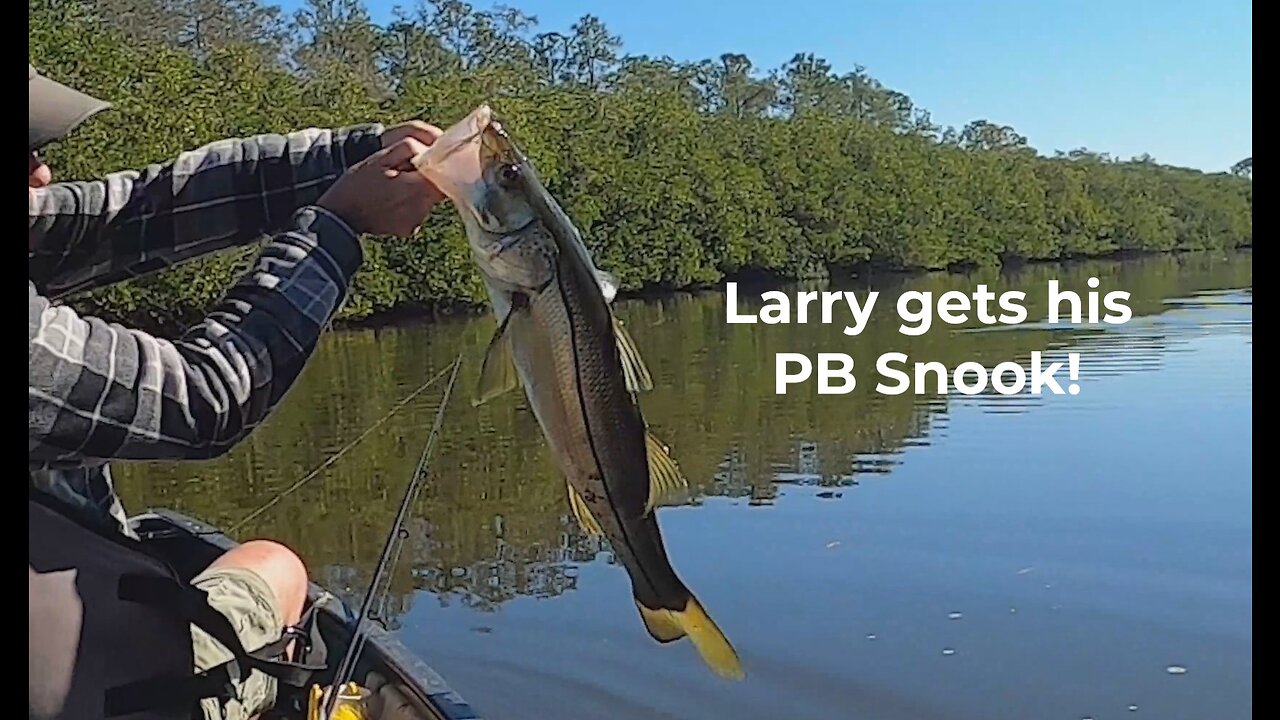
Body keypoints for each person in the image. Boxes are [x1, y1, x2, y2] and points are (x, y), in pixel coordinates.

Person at [28, 61, 445, 720]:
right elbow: (205, 399)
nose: (42, 174)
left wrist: (364, 154)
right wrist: (336, 228)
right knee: (276, 569)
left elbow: (145, 209)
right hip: (95, 691)